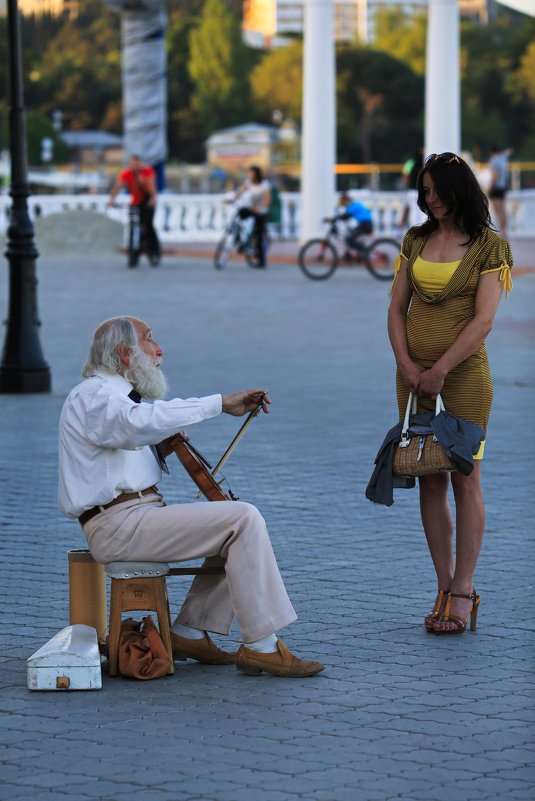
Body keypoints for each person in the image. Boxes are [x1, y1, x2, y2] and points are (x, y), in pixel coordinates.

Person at [58, 316, 324, 678]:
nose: (159, 350)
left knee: (231, 523)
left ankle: (189, 633)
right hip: (118, 525)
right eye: (150, 341)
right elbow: (135, 425)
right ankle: (262, 647)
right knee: (242, 519)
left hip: (134, 518)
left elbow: (124, 446)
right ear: (124, 353)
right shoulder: (94, 396)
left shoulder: (120, 402)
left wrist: (162, 447)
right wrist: (219, 404)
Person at [387, 152, 513, 635]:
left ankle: (464, 590)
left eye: (437, 189)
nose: (429, 198)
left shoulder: (488, 247)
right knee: (429, 477)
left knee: (465, 479)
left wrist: (440, 368)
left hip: (462, 380)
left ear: (459, 189)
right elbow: (396, 308)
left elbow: (483, 320)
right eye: (424, 190)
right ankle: (442, 584)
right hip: (413, 379)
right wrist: (407, 364)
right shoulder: (415, 239)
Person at [108, 155, 161, 265]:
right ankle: (133, 254)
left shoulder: (147, 172)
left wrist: (152, 197)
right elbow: (117, 186)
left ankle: (154, 251)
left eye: (137, 164)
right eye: (132, 164)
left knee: (148, 226)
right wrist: (112, 199)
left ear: (140, 164)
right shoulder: (126, 173)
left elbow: (152, 187)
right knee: (133, 226)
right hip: (136, 202)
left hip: (147, 201)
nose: (134, 167)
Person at [228, 165, 271, 268]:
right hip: (251, 209)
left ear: (257, 174)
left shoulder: (264, 184)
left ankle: (261, 261)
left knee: (259, 236)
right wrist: (233, 199)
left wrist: (260, 208)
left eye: (252, 173)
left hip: (261, 212)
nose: (250, 175)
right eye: (249, 173)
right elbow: (240, 191)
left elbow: (267, 199)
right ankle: (238, 241)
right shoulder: (249, 182)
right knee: (237, 218)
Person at [398, 149, 426, 230]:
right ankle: (421, 227)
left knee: (412, 210)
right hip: (420, 191)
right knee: (421, 211)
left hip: (411, 191)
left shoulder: (410, 164)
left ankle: (414, 228)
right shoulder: (424, 164)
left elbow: (405, 178)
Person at [488, 145, 510, 235]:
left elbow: (495, 175)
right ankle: (504, 231)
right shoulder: (502, 159)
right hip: (503, 187)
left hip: (496, 188)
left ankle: (501, 231)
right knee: (503, 210)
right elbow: (507, 152)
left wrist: (491, 187)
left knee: (498, 211)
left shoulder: (494, 160)